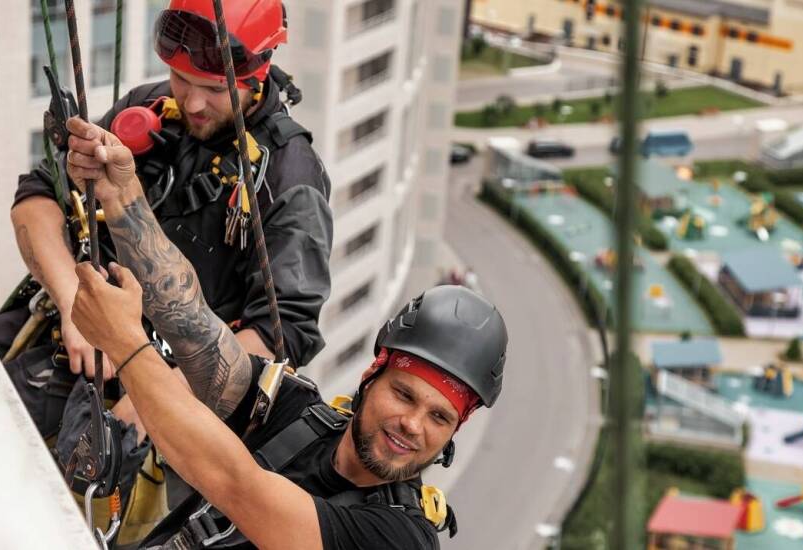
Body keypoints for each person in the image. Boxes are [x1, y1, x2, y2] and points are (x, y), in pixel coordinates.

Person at [65, 114, 508, 549]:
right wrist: (122, 197)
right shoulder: (298, 418)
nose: (411, 425)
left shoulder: (398, 536)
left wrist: (125, 345)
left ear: (456, 430)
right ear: (371, 376)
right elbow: (192, 326)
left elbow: (239, 487)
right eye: (405, 394)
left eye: (439, 417)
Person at [0, 0, 331, 538]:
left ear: (259, 71)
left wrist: (152, 397)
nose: (189, 100)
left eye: (214, 89)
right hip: (70, 341)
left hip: (164, 394)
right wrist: (75, 307)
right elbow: (36, 199)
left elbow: (280, 337)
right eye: (179, 77)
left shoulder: (288, 177)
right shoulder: (147, 108)